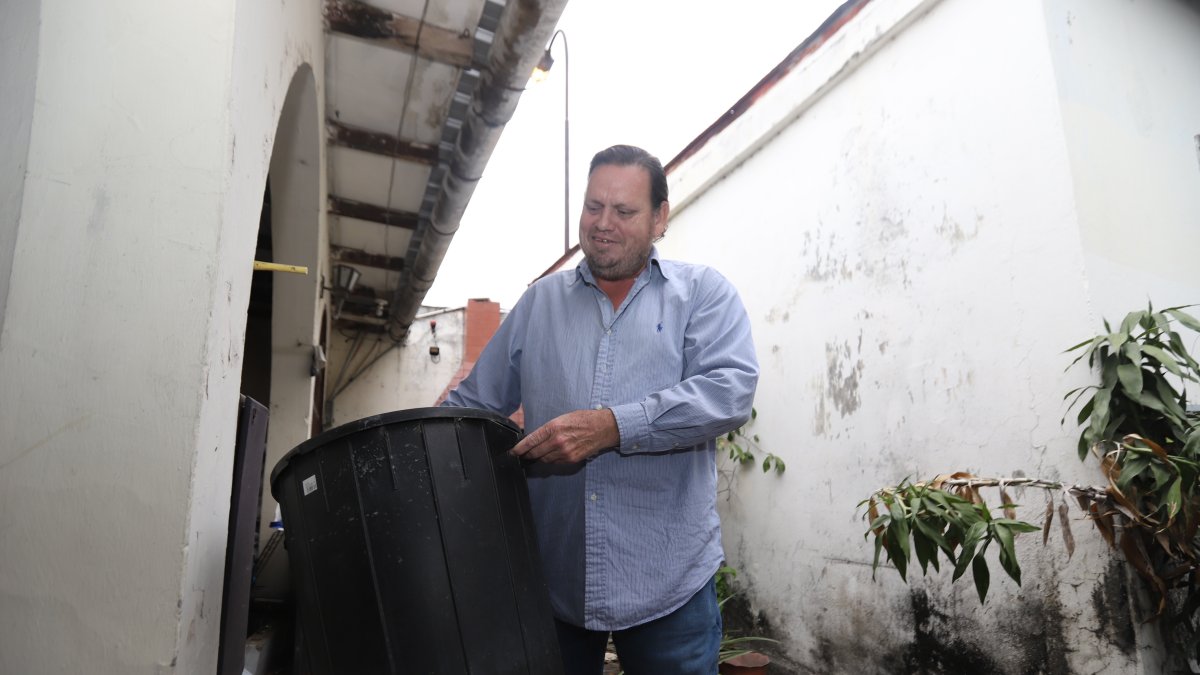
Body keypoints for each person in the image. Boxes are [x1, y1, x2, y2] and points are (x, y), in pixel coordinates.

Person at [442, 144, 758, 674]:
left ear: (661, 217)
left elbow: (729, 391)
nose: (603, 224)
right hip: (553, 583)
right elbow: (471, 406)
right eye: (593, 207)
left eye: (624, 211)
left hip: (669, 584)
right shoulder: (539, 303)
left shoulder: (703, 294)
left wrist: (613, 426)